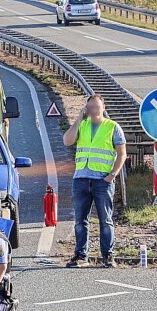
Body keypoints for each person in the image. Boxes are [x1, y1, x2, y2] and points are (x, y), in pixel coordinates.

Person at [62, 94, 127, 268]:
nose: (93, 111)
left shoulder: (112, 127)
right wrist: (78, 119)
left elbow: (122, 154)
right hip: (81, 179)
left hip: (102, 180)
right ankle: (81, 256)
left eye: (96, 107)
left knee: (105, 220)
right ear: (86, 109)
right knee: (80, 220)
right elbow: (67, 141)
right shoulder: (82, 125)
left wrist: (112, 175)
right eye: (90, 107)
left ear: (103, 108)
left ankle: (108, 256)